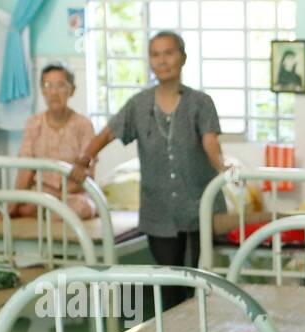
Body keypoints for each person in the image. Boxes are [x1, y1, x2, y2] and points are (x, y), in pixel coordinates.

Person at [68, 30, 226, 281]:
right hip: (158, 208)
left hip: (198, 204)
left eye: (168, 53)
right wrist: (85, 159)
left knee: (198, 280)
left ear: (182, 58)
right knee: (167, 281)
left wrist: (224, 169)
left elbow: (210, 141)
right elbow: (108, 133)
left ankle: (196, 320)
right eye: (155, 55)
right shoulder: (138, 104)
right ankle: (173, 321)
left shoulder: (200, 102)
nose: (162, 61)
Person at [9, 64, 97, 219]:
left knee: (83, 208)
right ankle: (40, 212)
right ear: (42, 91)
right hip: (41, 193)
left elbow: (88, 172)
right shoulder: (34, 123)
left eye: (61, 85)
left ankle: (42, 213)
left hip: (72, 194)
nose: (54, 92)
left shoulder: (83, 125)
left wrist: (58, 195)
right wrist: (14, 202)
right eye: (48, 86)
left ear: (72, 90)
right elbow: (25, 170)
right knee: (12, 204)